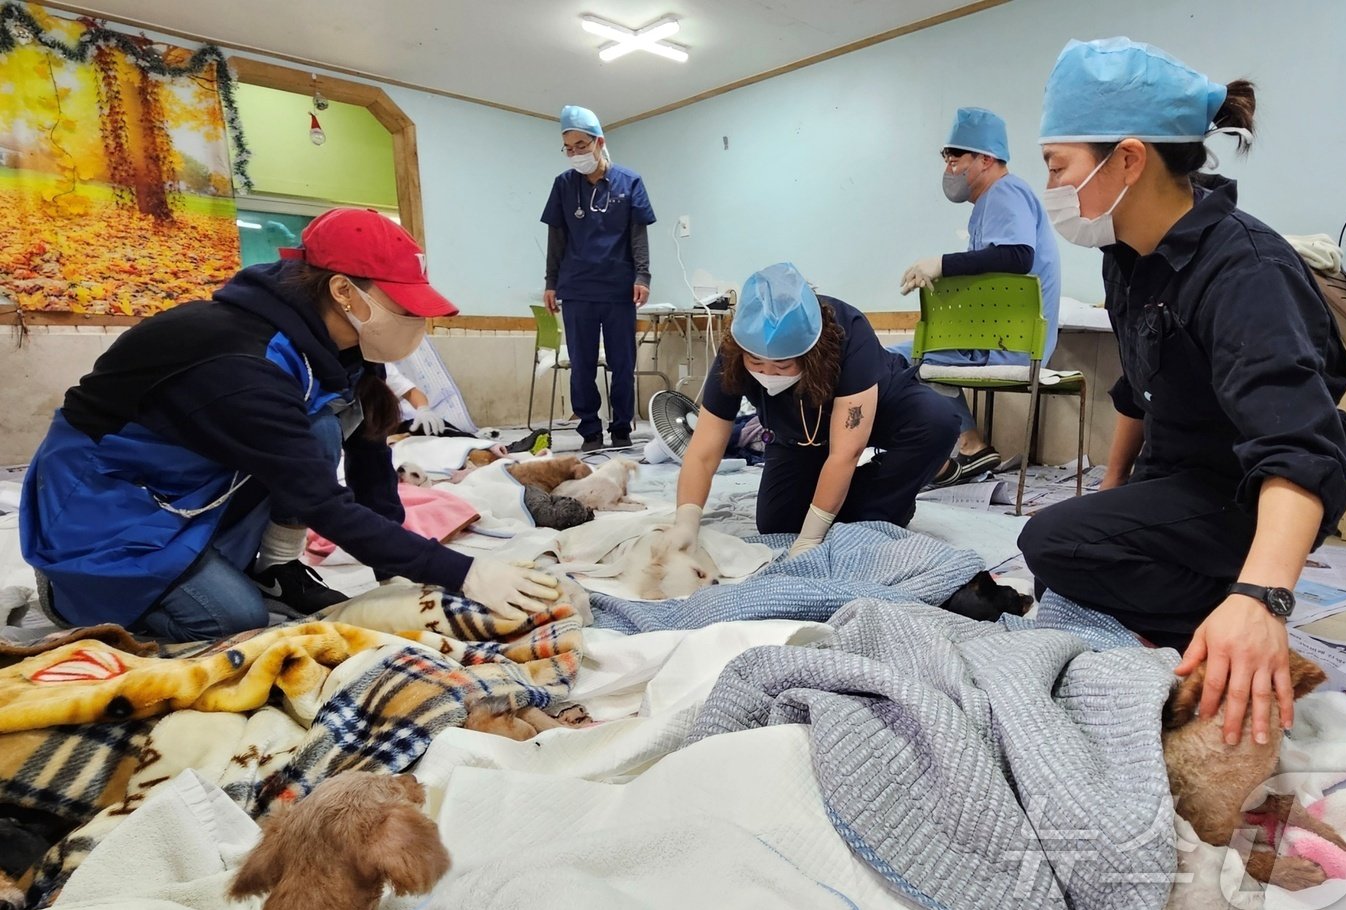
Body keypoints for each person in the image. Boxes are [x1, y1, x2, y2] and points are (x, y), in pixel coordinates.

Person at [1017, 38, 1346, 746]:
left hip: (1257, 491)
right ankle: (1194, 621)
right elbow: (1136, 390)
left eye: (1059, 167)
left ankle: (1236, 626)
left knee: (1051, 542)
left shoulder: (1246, 272)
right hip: (1183, 475)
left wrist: (1261, 598)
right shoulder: (1128, 253)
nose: (1052, 188)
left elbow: (1299, 447)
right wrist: (1110, 493)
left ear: (1128, 159)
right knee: (1065, 572)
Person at [21, 208, 559, 640]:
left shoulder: (343, 342)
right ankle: (68, 591)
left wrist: (401, 569)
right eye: (406, 307)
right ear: (345, 292)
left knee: (327, 425)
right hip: (105, 498)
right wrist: (463, 572)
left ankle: (274, 565)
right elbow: (324, 501)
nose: (418, 323)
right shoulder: (240, 362)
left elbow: (369, 456)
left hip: (191, 478)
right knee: (232, 622)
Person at [658, 262, 959, 558]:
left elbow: (846, 452)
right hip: (802, 434)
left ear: (809, 353)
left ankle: (889, 497)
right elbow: (703, 449)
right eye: (757, 363)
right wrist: (686, 519)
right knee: (778, 524)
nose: (768, 373)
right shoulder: (735, 351)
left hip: (878, 411)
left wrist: (812, 537)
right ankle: (857, 499)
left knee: (936, 421)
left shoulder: (847, 331)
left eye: (783, 365)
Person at [892, 107, 1062, 486]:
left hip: (1008, 344)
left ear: (985, 158)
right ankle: (970, 445)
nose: (949, 167)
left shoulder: (1006, 190)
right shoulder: (991, 204)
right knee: (913, 358)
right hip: (996, 339)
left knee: (894, 360)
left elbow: (1018, 256)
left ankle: (961, 447)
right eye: (946, 158)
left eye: (957, 158)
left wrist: (942, 263)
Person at [540, 104, 656, 452]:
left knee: (623, 364)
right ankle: (590, 431)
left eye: (580, 145)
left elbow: (638, 234)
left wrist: (643, 275)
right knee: (583, 365)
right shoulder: (563, 185)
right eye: (568, 148)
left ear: (599, 142)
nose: (575, 153)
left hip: (620, 289)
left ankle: (621, 428)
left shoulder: (629, 181)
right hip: (576, 290)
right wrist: (550, 282)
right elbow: (556, 237)